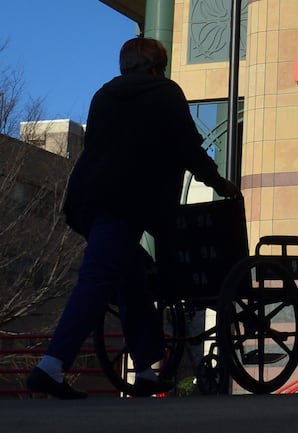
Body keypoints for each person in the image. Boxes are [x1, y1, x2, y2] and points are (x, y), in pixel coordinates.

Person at [26, 37, 239, 399]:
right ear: (159, 65)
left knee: (131, 281)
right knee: (97, 279)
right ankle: (51, 365)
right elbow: (189, 149)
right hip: (126, 203)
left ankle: (145, 369)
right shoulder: (165, 93)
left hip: (88, 201)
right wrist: (220, 184)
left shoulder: (103, 96)